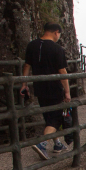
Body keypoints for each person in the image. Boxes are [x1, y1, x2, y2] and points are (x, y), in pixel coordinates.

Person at [20, 23, 71, 160]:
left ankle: (57, 144)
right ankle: (42, 144)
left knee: (49, 116)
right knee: (56, 118)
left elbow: (27, 65)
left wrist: (24, 84)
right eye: (59, 34)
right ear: (56, 32)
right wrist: (67, 92)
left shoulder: (32, 45)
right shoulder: (57, 49)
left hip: (39, 87)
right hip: (54, 88)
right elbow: (62, 71)